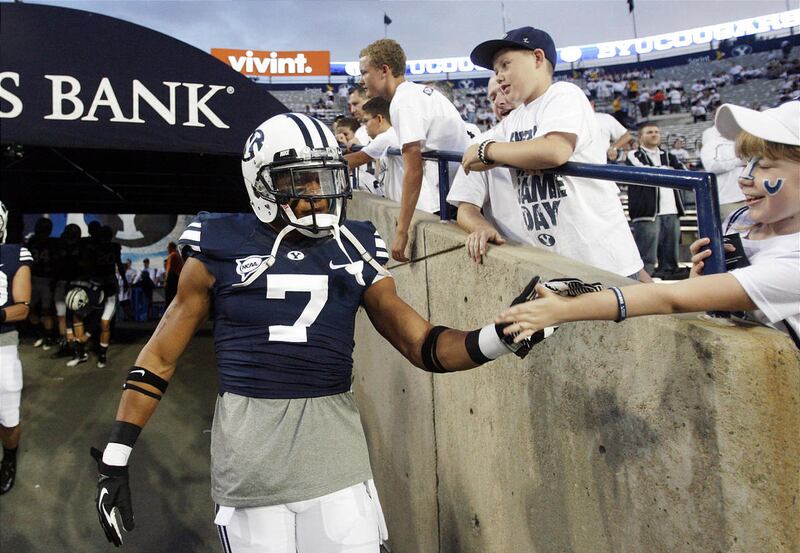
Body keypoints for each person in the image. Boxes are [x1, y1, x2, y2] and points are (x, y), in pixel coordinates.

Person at [90, 113, 541, 552]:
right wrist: (116, 457)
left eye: (323, 178)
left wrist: (500, 335)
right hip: (251, 471)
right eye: (300, 182)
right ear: (260, 183)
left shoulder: (354, 244)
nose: (318, 195)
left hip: (336, 463)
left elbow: (421, 344)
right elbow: (159, 358)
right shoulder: (218, 243)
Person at [496, 101, 800, 349]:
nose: (744, 178)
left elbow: (671, 298)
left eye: (764, 165)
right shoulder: (741, 220)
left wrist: (567, 309)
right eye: (745, 162)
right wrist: (702, 279)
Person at [461, 26, 644, 279]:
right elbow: (472, 160)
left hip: (601, 257)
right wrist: (518, 155)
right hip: (559, 260)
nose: (499, 76)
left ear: (537, 58)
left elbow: (554, 151)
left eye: (505, 65)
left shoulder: (563, 93)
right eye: (495, 70)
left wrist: (493, 151)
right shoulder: (515, 119)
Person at [359, 39, 468, 261]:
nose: (361, 80)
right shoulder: (414, 93)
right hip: (459, 192)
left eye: (364, 72)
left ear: (384, 70)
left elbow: (413, 169)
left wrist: (402, 231)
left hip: (450, 198)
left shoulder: (404, 101)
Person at [448, 75, 525, 263]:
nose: (499, 101)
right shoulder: (479, 143)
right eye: (492, 97)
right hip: (519, 254)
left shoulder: (556, 133)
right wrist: (481, 226)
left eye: (505, 90)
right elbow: (466, 207)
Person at [626, 122, 688, 279]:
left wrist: (665, 171)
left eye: (656, 132)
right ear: (640, 137)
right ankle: (642, 282)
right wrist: (668, 170)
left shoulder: (669, 155)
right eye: (649, 132)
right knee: (647, 255)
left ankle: (669, 274)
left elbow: (684, 172)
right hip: (646, 211)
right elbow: (644, 172)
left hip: (671, 209)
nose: (654, 134)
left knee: (671, 254)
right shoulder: (634, 155)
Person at [0, 202, 32, 494]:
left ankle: (9, 459)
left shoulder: (13, 254)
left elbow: (22, 309)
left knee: (8, 417)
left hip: (3, 346)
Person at [343, 96, 397, 197]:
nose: (365, 127)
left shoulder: (387, 137)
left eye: (366, 121)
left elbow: (352, 160)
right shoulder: (393, 134)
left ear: (379, 119)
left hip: (414, 204)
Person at [700, 117, 747, 222]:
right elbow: (711, 166)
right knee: (732, 231)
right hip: (727, 199)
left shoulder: (739, 141)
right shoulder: (711, 143)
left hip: (746, 196)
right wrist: (738, 162)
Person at [25, 217, 57, 350]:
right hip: (34, 279)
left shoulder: (51, 243)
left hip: (46, 279)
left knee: (46, 311)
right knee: (28, 308)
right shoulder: (32, 242)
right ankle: (42, 335)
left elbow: (55, 262)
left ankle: (47, 337)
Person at [164, 241, 183, 308]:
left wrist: (166, 280)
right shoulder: (179, 256)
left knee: (169, 299)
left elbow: (168, 268)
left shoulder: (172, 255)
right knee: (175, 298)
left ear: (171, 247)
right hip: (178, 279)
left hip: (171, 278)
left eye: (168, 248)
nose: (167, 249)